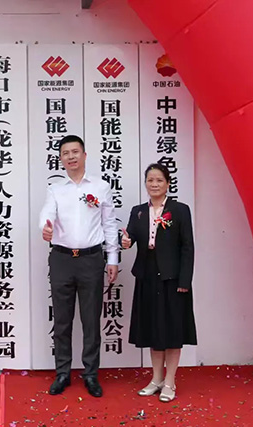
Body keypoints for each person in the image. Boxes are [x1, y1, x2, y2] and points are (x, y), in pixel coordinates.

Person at [39, 135, 119, 398]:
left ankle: (91, 374)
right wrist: (45, 227)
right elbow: (47, 213)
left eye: (75, 152)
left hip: (91, 260)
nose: (71, 157)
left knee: (91, 320)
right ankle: (62, 372)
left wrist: (112, 259)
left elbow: (109, 224)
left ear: (84, 155)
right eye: (66, 153)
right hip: (61, 259)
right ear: (60, 159)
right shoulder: (55, 189)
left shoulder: (101, 187)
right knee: (62, 320)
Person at [121, 163, 197, 403]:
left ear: (168, 184)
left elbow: (188, 247)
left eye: (159, 180)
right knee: (154, 329)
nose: (154, 184)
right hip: (147, 276)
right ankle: (156, 379)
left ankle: (170, 381)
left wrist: (185, 280)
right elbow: (130, 238)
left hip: (172, 278)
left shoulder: (180, 210)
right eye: (150, 180)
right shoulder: (138, 211)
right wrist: (125, 241)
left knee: (173, 331)